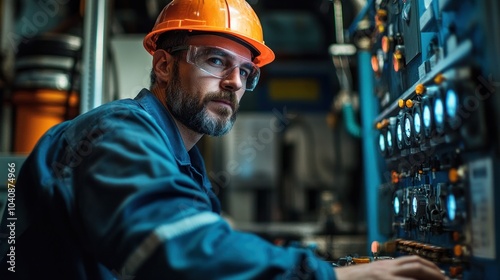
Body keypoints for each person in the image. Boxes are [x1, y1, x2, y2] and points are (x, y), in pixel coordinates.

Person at [0, 0, 447, 279]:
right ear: (162, 65)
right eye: (216, 60)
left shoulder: (186, 167)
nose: (235, 83)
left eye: (246, 72)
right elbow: (176, 251)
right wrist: (330, 277)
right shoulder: (117, 134)